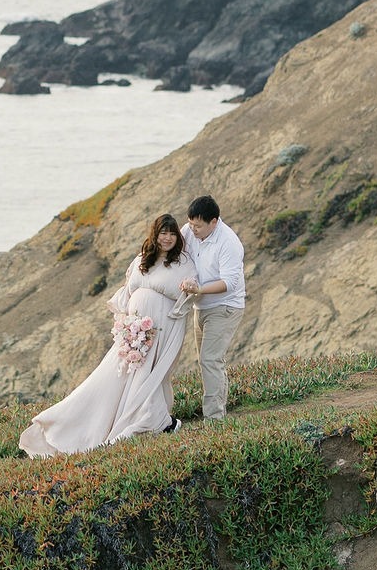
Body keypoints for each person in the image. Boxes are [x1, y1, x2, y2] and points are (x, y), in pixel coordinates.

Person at [20, 213, 196, 456]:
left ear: (177, 236)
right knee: (117, 376)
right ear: (154, 236)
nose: (167, 238)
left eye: (172, 233)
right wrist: (127, 324)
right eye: (162, 233)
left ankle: (153, 417)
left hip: (161, 328)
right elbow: (127, 289)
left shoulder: (183, 263)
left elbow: (187, 296)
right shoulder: (141, 260)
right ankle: (74, 423)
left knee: (147, 374)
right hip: (134, 331)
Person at [180, 194, 245, 419]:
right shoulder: (189, 231)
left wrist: (199, 289)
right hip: (201, 307)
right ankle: (220, 409)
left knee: (210, 359)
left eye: (197, 226)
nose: (192, 229)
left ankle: (214, 419)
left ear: (214, 222)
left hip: (225, 306)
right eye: (190, 224)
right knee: (208, 360)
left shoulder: (229, 243)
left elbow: (229, 283)